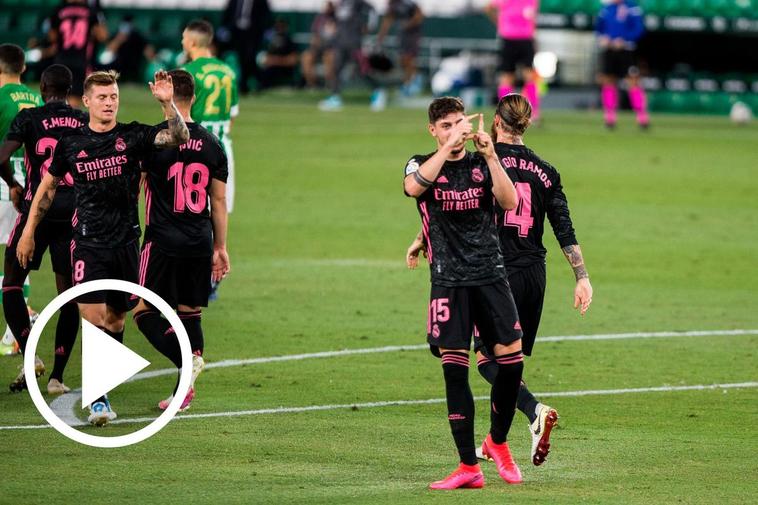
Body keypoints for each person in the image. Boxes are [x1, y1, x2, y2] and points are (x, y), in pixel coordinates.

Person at [407, 93, 593, 467]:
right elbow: (564, 228)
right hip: (534, 275)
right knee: (508, 362)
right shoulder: (547, 171)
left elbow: (462, 212)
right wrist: (582, 277)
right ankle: (495, 441)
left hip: (491, 271)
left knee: (483, 360)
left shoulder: (483, 161)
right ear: (527, 123)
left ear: (495, 121)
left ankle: (534, 411)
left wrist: (422, 238)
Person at [17, 69, 189, 426]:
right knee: (93, 321)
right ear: (87, 101)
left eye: (113, 97)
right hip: (88, 245)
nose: (109, 103)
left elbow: (178, 136)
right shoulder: (71, 144)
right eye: (102, 97)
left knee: (116, 319)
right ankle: (98, 400)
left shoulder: (133, 136)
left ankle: (103, 383)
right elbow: (46, 189)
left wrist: (167, 103)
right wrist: (28, 231)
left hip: (126, 243)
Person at [403, 96, 526, 490]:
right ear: (433, 130)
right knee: (454, 373)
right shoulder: (420, 162)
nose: (456, 131)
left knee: (512, 362)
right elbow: (413, 188)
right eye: (446, 126)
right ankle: (468, 467)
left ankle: (499, 441)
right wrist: (445, 149)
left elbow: (510, 202)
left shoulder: (480, 163)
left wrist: (491, 157)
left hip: (491, 275)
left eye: (460, 123)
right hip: (448, 281)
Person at [133, 69, 230, 412]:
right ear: (195, 97)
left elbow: (135, 187)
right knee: (190, 313)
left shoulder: (152, 139)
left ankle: (186, 364)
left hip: (161, 239)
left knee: (143, 311)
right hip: (199, 238)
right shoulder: (215, 145)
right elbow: (217, 201)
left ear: (163, 93)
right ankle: (182, 392)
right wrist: (220, 247)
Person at [0, 64, 87, 395]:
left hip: (37, 211)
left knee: (11, 285)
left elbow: (1, 156)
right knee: (68, 296)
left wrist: (13, 183)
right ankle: (57, 377)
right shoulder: (81, 120)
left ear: (42, 87)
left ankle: (29, 354)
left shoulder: (29, 118)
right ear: (70, 90)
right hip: (72, 214)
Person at [0, 44, 43, 362]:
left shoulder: (1, 98)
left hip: (5, 185)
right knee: (17, 258)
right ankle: (20, 322)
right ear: (24, 68)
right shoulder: (35, 99)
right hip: (29, 187)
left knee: (12, 262)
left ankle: (16, 328)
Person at [182, 20, 238, 215]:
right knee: (220, 207)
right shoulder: (229, 72)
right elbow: (232, 115)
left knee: (192, 213)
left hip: (195, 149)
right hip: (223, 147)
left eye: (184, 39)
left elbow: (177, 116)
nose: (183, 43)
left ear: (191, 43)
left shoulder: (187, 73)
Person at [318, 0, 383, 111]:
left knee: (361, 70)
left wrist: (370, 27)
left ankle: (378, 91)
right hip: (340, 42)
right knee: (336, 69)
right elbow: (334, 20)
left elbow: (373, 10)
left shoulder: (357, 2)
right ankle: (335, 97)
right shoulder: (339, 4)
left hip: (354, 42)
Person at [484, 0, 541, 122]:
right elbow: (488, 8)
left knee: (529, 76)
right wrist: (500, 22)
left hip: (526, 38)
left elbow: (532, 17)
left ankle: (532, 111)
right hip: (509, 38)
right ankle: (505, 112)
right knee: (507, 77)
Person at [596, 0, 649, 129]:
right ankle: (610, 118)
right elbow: (599, 28)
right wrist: (603, 38)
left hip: (627, 50)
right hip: (609, 50)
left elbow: (638, 29)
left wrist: (625, 39)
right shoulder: (606, 8)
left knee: (633, 82)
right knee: (608, 81)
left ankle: (642, 117)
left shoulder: (633, 7)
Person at [47, 0, 109, 107]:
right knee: (74, 100)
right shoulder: (91, 11)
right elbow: (103, 36)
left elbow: (52, 37)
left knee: (58, 97)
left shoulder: (59, 10)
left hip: (61, 60)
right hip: (81, 61)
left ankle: (57, 121)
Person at [221, 0, 272, 94]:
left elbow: (266, 15)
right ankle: (244, 85)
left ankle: (255, 82)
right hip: (237, 32)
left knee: (250, 57)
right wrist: (225, 28)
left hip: (253, 33)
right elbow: (228, 13)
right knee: (240, 59)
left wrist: (266, 30)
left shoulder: (260, 2)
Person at [376, 0, 424, 96]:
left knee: (408, 58)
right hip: (402, 36)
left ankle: (413, 82)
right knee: (402, 60)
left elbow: (420, 16)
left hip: (412, 36)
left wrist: (409, 24)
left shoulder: (408, 4)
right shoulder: (392, 6)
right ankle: (408, 82)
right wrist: (381, 37)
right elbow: (387, 21)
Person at [301, 1, 337, 90]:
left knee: (329, 57)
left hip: (332, 48)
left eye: (330, 5)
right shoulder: (320, 18)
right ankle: (312, 85)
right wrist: (315, 44)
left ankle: (330, 86)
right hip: (319, 47)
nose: (328, 7)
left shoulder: (339, 19)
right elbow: (314, 36)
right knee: (306, 57)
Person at [260, 18, 299, 89]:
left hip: (286, 69)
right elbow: (266, 59)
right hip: (272, 69)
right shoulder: (271, 41)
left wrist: (277, 61)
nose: (279, 29)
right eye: (277, 27)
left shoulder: (290, 41)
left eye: (282, 26)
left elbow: (293, 60)